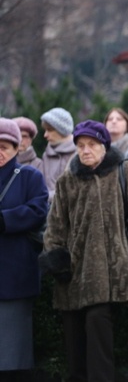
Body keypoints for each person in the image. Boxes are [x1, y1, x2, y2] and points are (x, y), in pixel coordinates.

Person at [38, 120, 128, 382]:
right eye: (80, 146)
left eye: (91, 145)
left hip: (109, 270)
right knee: (73, 339)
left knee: (98, 326)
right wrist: (55, 257)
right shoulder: (68, 179)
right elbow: (55, 224)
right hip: (73, 271)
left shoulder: (126, 171)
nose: (85, 150)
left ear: (104, 146)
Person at [0, 118, 48, 381]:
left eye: (5, 146)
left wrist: (6, 219)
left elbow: (39, 209)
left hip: (16, 271)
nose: (0, 151)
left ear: (17, 147)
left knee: (13, 352)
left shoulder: (30, 176)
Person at [40, 107, 76, 201]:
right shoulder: (46, 155)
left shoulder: (79, 153)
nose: (45, 135)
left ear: (62, 130)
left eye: (50, 130)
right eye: (45, 130)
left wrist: (44, 197)